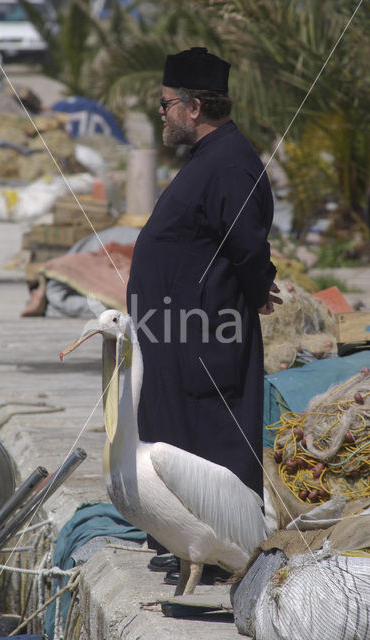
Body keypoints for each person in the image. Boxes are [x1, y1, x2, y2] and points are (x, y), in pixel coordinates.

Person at [126, 47, 281, 575]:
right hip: (179, 333)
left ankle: (225, 551)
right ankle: (188, 541)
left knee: (213, 439)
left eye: (167, 104)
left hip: (205, 334)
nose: (161, 112)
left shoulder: (232, 163)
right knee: (175, 432)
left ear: (194, 108)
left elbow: (246, 243)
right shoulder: (210, 160)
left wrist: (260, 288)